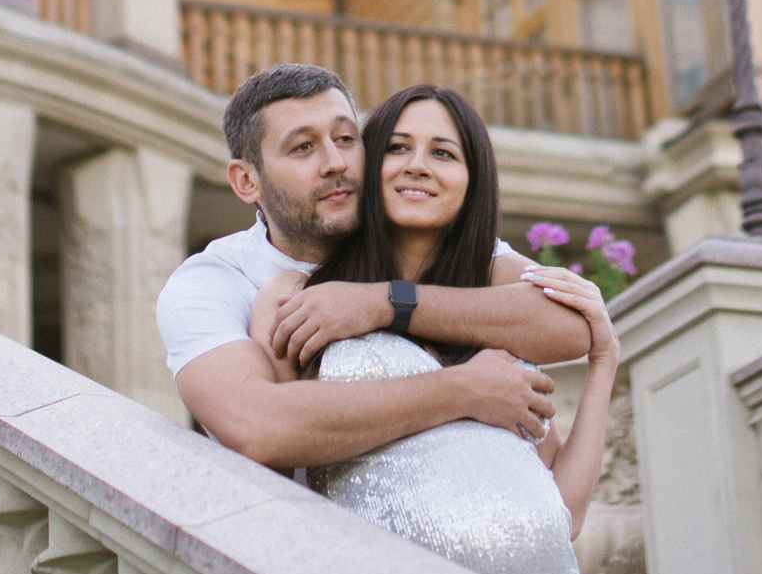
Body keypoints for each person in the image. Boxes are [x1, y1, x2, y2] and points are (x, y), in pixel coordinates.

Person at [247, 82, 616, 574]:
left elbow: (566, 513)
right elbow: (273, 473)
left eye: (443, 153)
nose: (417, 165)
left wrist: (605, 360)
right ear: (366, 168)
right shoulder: (296, 298)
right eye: (397, 148)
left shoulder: (498, 314)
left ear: (472, 182)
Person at [157, 62, 589, 472]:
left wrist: (387, 303)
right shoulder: (212, 282)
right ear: (246, 181)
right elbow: (255, 425)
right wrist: (462, 390)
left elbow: (568, 323)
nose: (336, 163)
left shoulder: (411, 233)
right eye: (303, 147)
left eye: (346, 139)